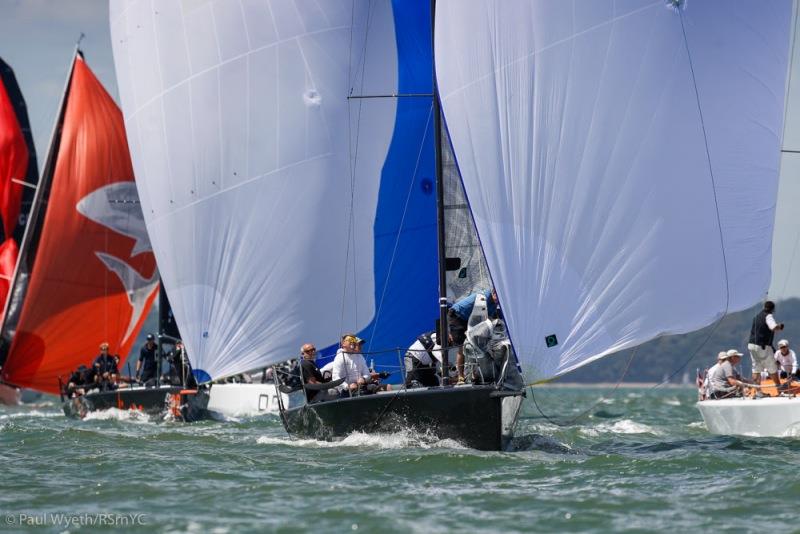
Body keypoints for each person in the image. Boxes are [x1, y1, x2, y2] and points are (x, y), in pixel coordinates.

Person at [448, 289, 497, 383]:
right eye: (497, 297)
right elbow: (480, 319)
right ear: (493, 293)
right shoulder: (483, 298)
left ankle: (475, 374)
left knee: (475, 345)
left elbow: (488, 319)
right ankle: (461, 376)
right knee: (462, 347)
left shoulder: (494, 304)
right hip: (458, 316)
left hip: (470, 318)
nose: (498, 301)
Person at [747, 300, 784, 387]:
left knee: (756, 369)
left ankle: (758, 392)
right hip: (762, 346)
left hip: (752, 345)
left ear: (764, 307)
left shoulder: (756, 316)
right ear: (773, 309)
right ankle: (779, 388)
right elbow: (773, 327)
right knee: (772, 367)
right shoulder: (768, 316)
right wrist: (780, 326)